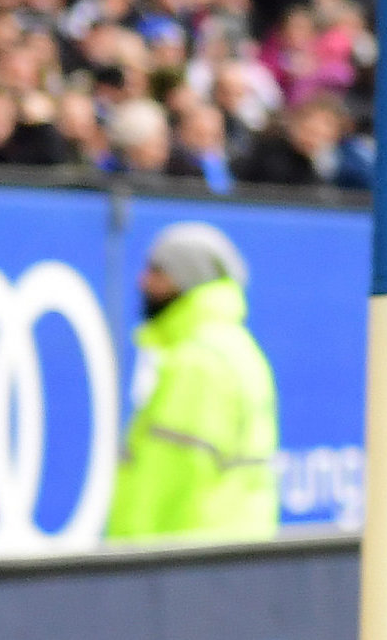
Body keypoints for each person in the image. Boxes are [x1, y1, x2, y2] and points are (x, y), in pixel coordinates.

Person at [106, 221, 279, 541]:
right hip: (224, 556)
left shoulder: (198, 362)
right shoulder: (234, 347)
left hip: (185, 562)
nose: (143, 281)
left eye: (158, 272)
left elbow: (168, 476)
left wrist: (128, 558)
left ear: (188, 278)